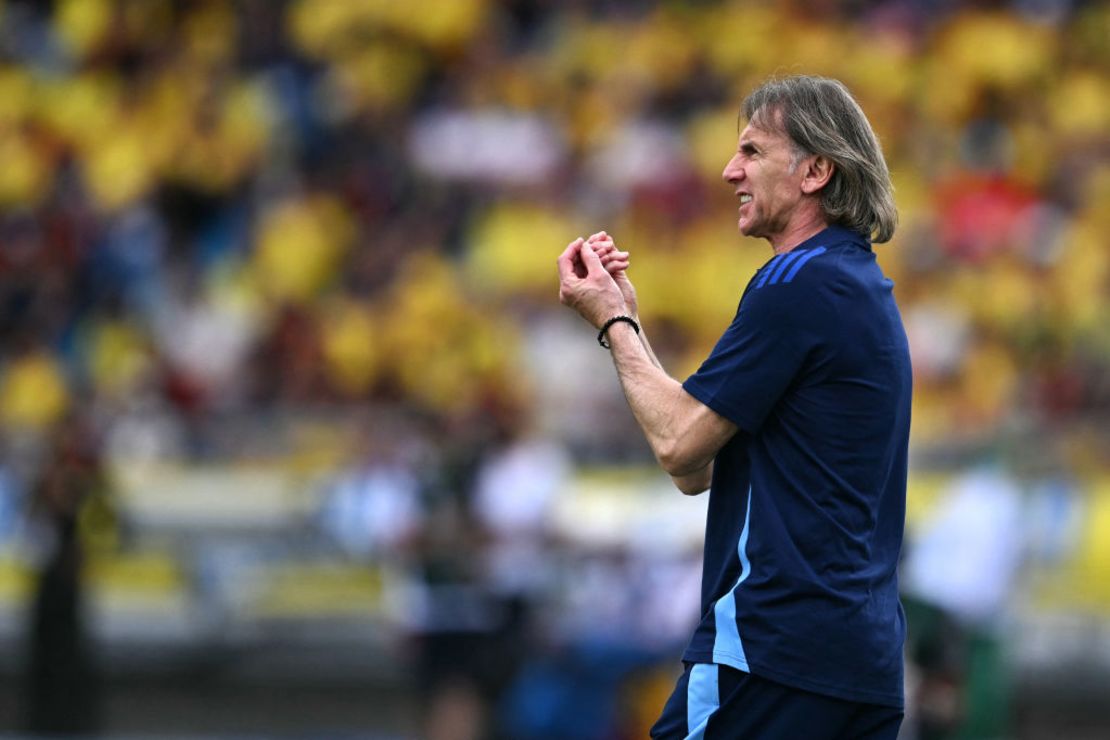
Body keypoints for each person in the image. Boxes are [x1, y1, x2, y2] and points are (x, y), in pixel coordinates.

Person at [556, 75, 911, 739]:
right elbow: (698, 471)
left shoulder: (796, 283)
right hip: (860, 663)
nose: (728, 171)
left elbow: (677, 445)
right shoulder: (857, 284)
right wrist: (628, 319)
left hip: (771, 648)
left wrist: (610, 322)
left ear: (815, 170)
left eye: (751, 152)